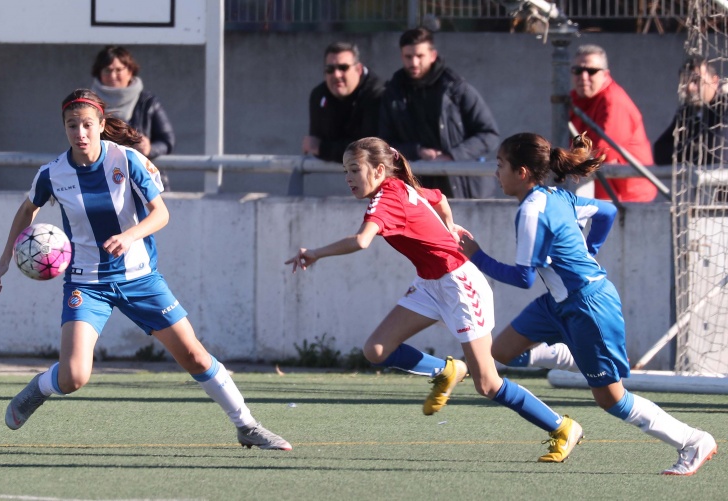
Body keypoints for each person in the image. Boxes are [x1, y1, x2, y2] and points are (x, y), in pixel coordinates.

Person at [0, 89, 291, 451]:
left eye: (87, 125)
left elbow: (161, 213)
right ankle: (38, 388)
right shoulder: (52, 174)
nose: (80, 133)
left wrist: (130, 235)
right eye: (72, 126)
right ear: (64, 128)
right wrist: (5, 260)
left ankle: (247, 425)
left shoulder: (129, 160)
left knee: (193, 355)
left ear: (101, 125)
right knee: (73, 377)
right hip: (87, 283)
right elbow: (26, 211)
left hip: (140, 278)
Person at [286, 136, 585, 463]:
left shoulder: (387, 198)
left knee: (487, 383)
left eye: (355, 170)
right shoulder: (399, 186)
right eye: (345, 171)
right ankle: (446, 371)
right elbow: (440, 198)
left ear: (379, 170)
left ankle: (562, 426)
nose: (348, 178)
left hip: (459, 285)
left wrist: (315, 252)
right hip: (430, 284)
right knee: (376, 350)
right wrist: (448, 227)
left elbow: (362, 241)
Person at [459, 132, 717, 475]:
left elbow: (524, 278)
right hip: (558, 303)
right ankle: (573, 353)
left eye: (500, 165)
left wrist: (476, 256)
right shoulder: (556, 196)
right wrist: (590, 249)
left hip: (589, 307)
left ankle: (693, 440)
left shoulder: (533, 212)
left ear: (521, 173)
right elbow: (606, 212)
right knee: (501, 351)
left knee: (612, 400)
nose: (496, 173)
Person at [379, 27, 500, 199]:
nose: (413, 63)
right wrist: (418, 151)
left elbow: (489, 134)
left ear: (432, 55)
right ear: (401, 57)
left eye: (419, 56)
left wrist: (451, 156)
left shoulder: (456, 88)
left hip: (463, 187)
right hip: (417, 188)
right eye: (408, 56)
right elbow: (385, 143)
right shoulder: (393, 93)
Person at [569, 44, 657, 202]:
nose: (583, 77)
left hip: (627, 197)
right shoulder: (575, 100)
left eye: (591, 71)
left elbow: (603, 151)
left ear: (605, 74)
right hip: (599, 190)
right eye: (578, 71)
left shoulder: (613, 101)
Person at [91, 46, 175, 184]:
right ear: (99, 73)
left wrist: (150, 149)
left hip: (143, 181)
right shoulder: (88, 104)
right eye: (107, 70)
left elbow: (167, 140)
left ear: (130, 71)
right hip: (101, 182)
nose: (113, 75)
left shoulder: (148, 102)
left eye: (118, 70)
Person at [302, 42, 385, 163]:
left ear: (359, 69)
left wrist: (323, 148)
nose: (336, 74)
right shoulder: (319, 95)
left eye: (343, 68)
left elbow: (366, 151)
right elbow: (316, 144)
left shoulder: (377, 95)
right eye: (330, 69)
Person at [654, 54, 728, 167]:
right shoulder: (687, 113)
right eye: (685, 82)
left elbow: (716, 153)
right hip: (697, 183)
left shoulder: (724, 107)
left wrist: (686, 147)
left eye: (695, 81)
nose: (689, 87)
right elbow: (660, 151)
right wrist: (693, 148)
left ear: (714, 81)